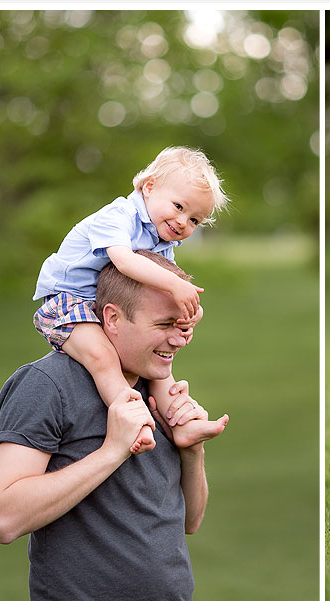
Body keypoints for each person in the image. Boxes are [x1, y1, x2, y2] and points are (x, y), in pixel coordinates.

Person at [0, 250, 229, 601]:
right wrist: (112, 451)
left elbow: (191, 521)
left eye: (184, 326)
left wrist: (191, 451)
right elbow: (3, 517)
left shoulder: (155, 388)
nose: (178, 339)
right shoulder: (45, 385)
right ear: (112, 319)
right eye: (165, 324)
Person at [32, 146, 228, 455]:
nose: (182, 222)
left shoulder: (163, 240)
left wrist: (190, 315)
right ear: (149, 187)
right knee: (102, 358)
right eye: (178, 206)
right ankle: (132, 422)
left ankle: (181, 424)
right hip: (66, 302)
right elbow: (124, 261)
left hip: (104, 304)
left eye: (194, 220)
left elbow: (164, 292)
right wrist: (175, 285)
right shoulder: (118, 215)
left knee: (160, 367)